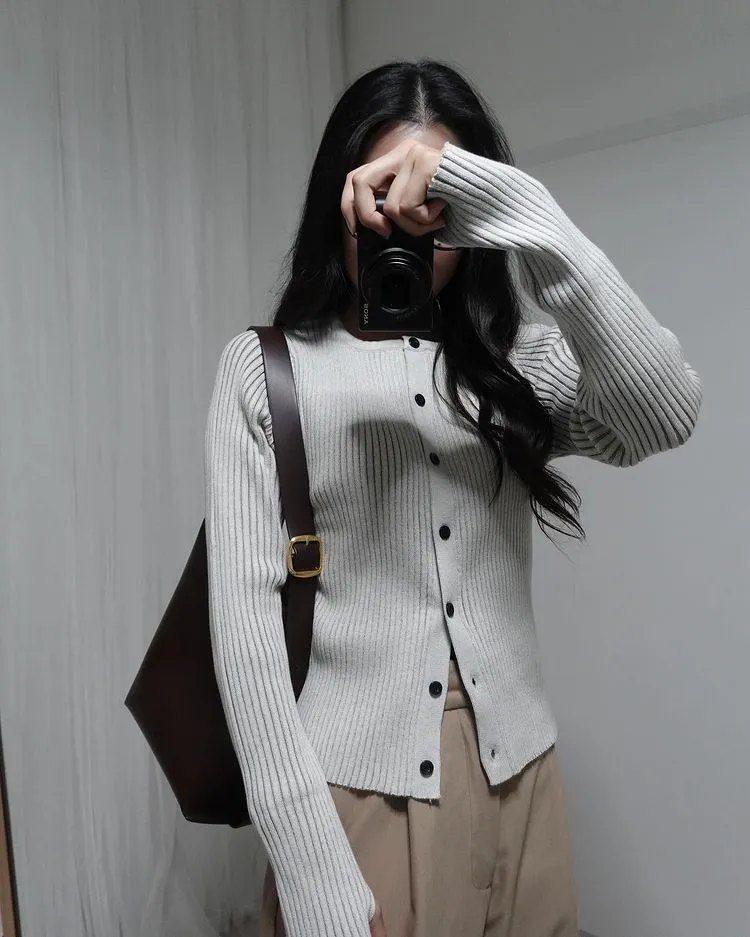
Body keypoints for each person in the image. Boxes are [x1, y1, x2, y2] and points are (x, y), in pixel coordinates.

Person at [204, 60, 702, 937]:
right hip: (359, 799)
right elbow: (245, 648)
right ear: (339, 199)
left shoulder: (511, 366)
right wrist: (313, 875)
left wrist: (526, 215)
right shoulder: (267, 372)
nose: (407, 226)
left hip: (526, 781)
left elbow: (663, 414)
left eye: (434, 204)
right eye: (386, 195)